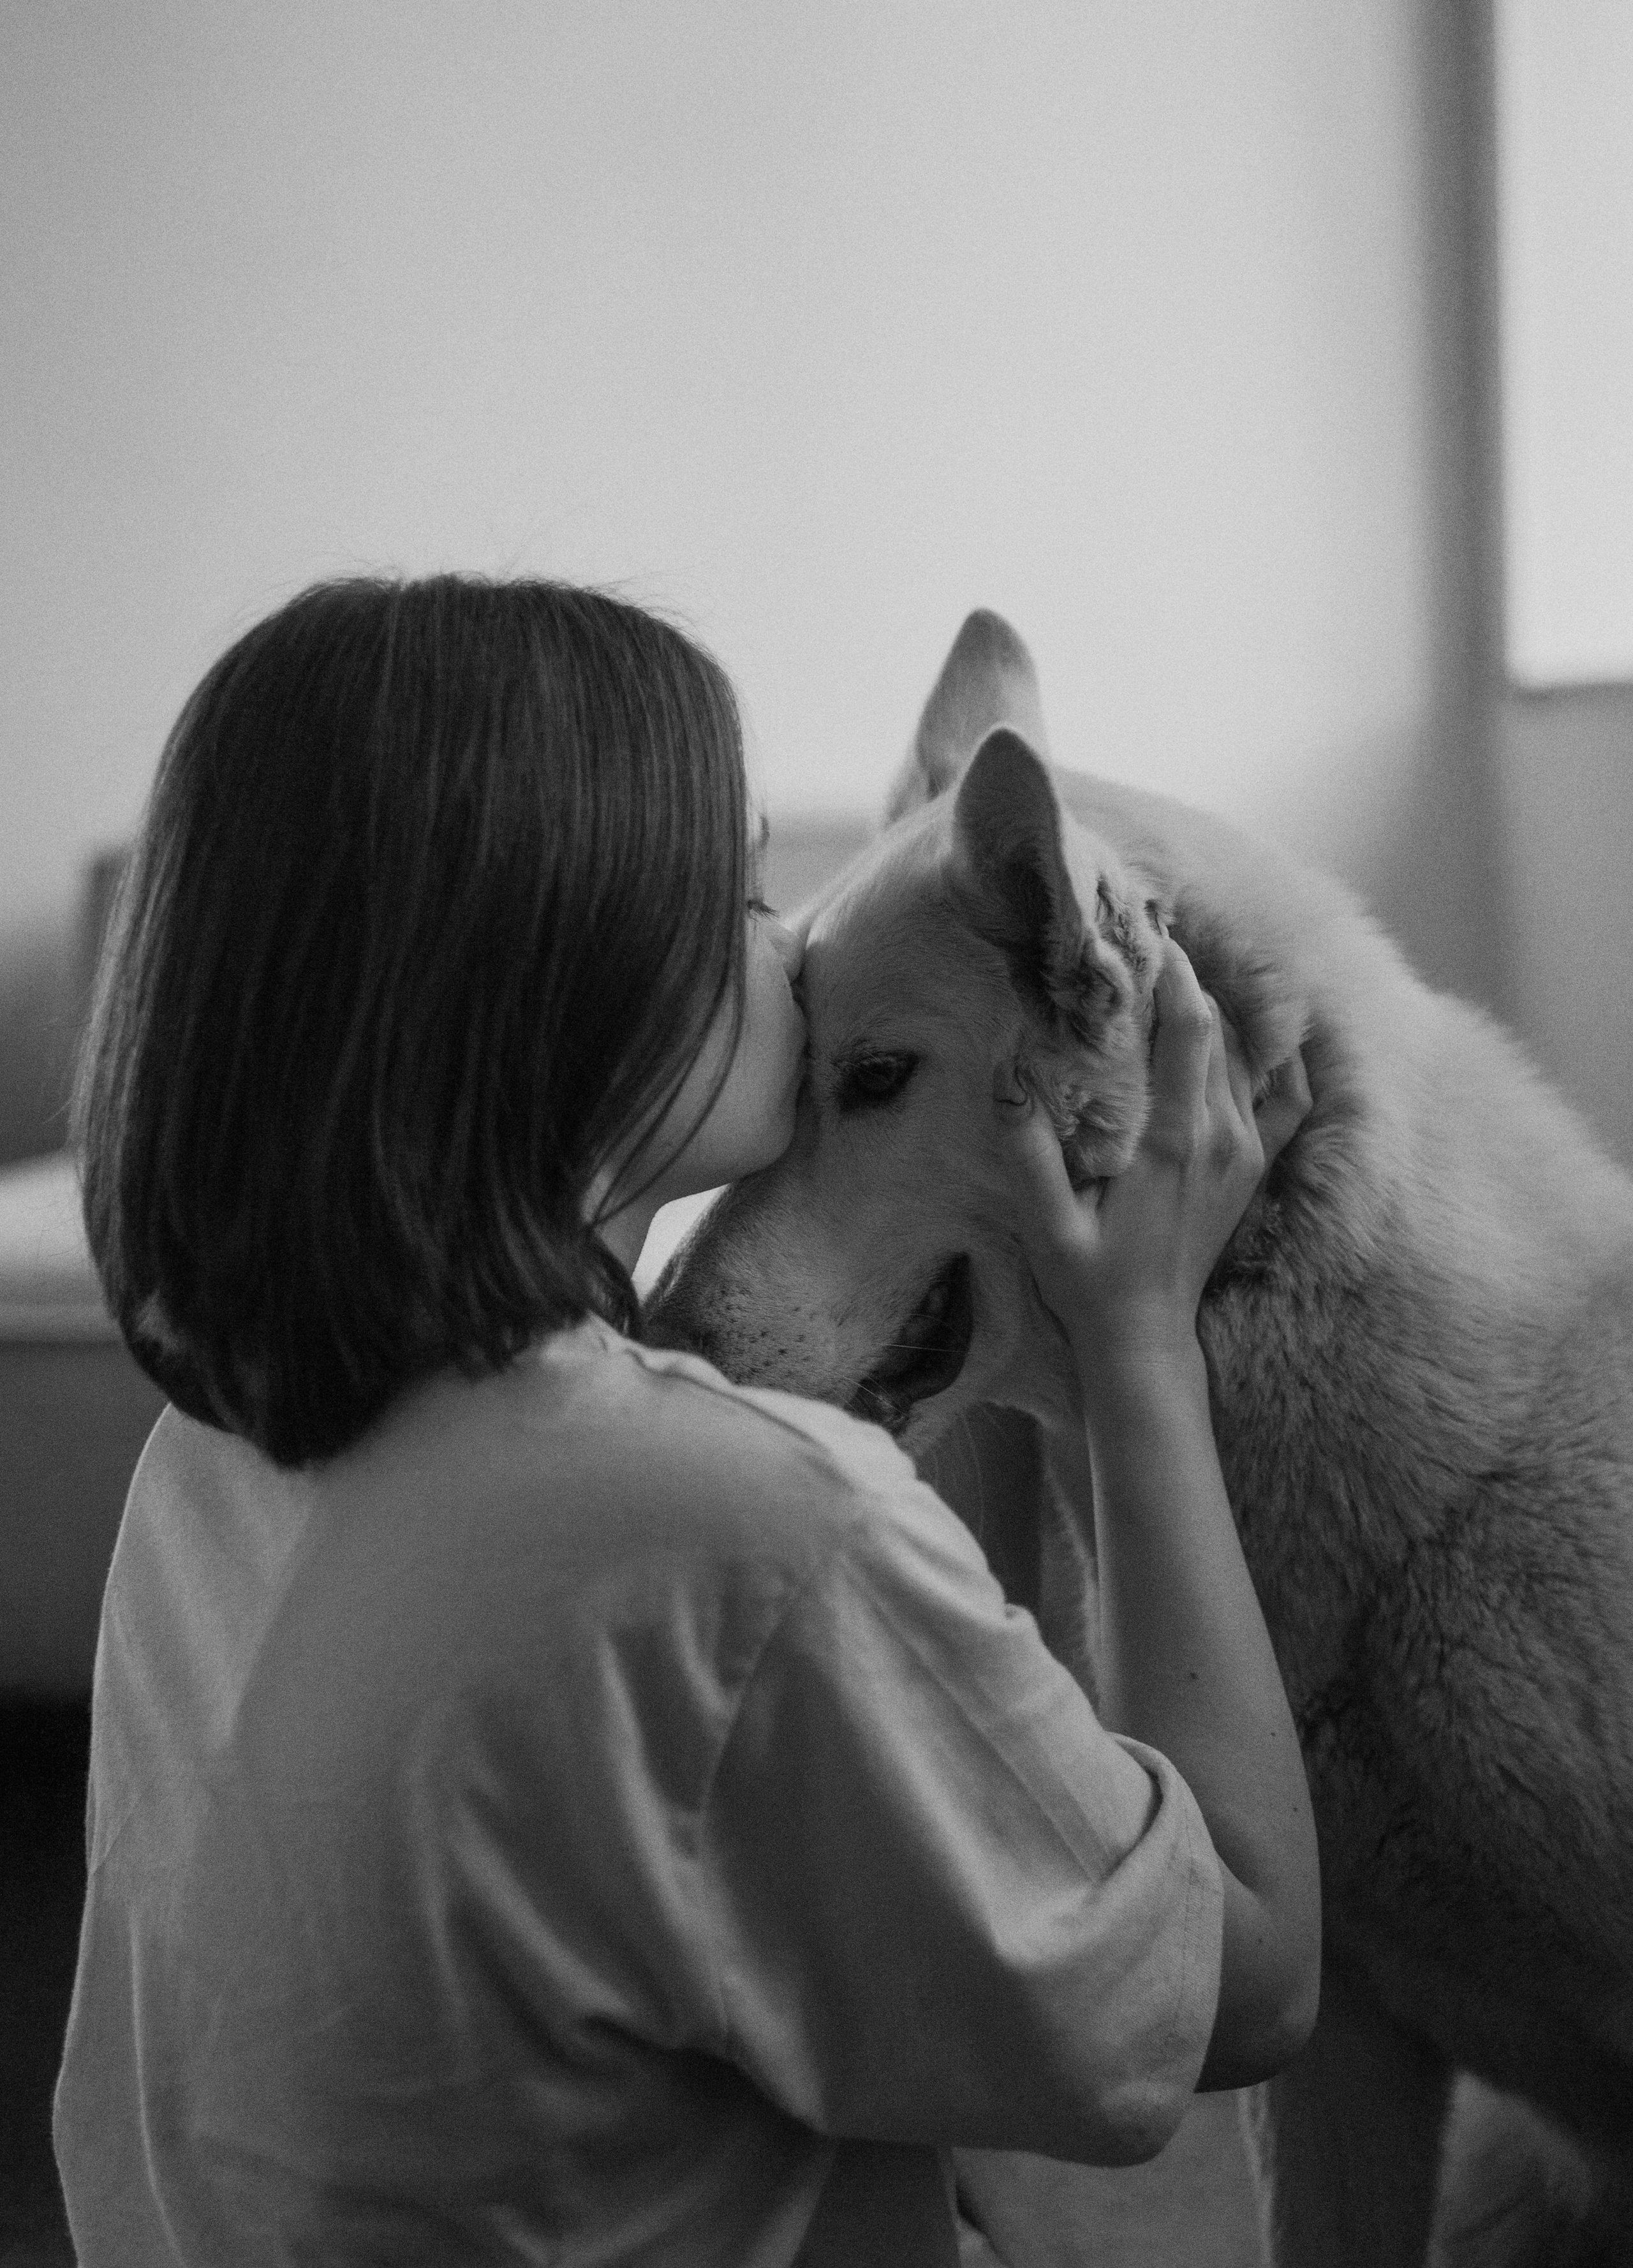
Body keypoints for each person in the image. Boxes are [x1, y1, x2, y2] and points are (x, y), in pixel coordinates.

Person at [54, 575, 1319, 2267]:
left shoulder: (209, 1449)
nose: (795, 945)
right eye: (735, 897)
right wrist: (1137, 1341)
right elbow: (1248, 1962)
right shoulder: (746, 1532)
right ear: (552, 991)